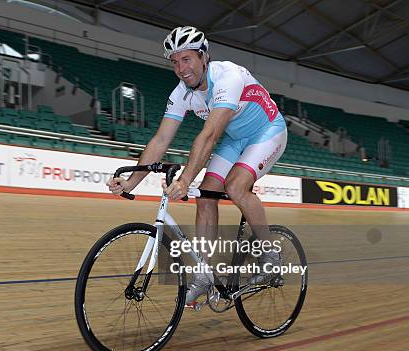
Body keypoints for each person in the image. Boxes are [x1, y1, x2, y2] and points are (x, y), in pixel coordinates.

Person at [106, 26, 287, 307]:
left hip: (267, 132)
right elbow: (161, 139)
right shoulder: (181, 93)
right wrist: (131, 182)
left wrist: (185, 179)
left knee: (236, 186)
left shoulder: (228, 76)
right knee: (205, 196)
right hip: (237, 139)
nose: (181, 68)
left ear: (204, 57)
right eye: (175, 62)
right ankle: (204, 273)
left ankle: (271, 256)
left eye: (187, 59)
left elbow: (210, 135)